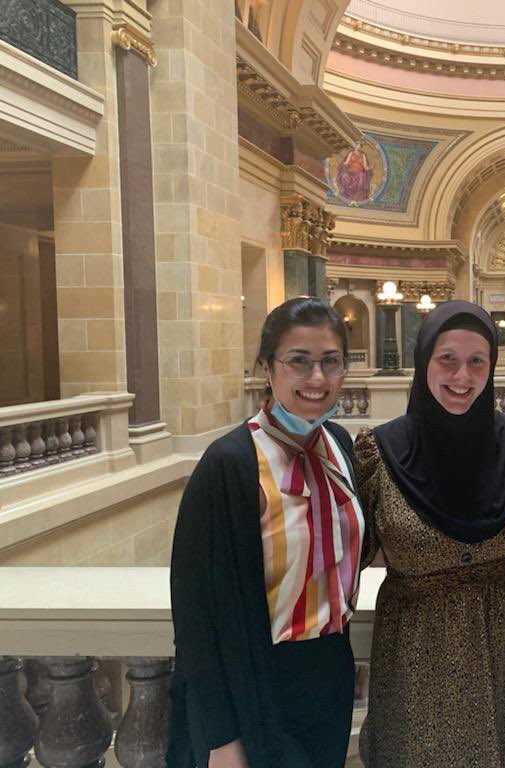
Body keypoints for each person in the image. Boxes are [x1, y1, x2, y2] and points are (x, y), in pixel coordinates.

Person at [167, 297, 364, 768]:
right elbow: (194, 614)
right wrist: (220, 736)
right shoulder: (230, 463)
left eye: (331, 362)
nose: (317, 379)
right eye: (299, 361)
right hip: (257, 683)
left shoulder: (338, 445)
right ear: (266, 368)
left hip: (331, 675)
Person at [353, 301, 505, 768]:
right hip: (416, 652)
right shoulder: (378, 451)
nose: (462, 376)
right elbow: (346, 553)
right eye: (447, 359)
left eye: (477, 361)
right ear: (423, 362)